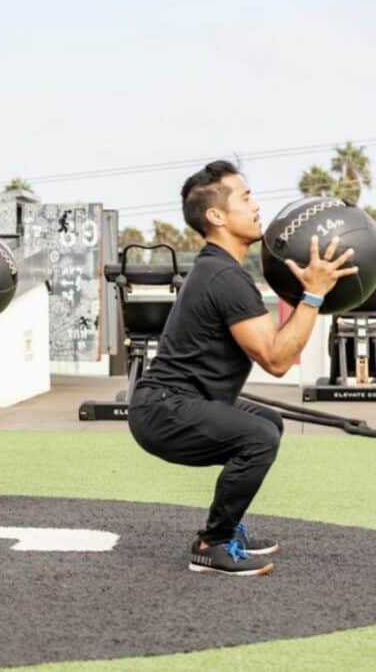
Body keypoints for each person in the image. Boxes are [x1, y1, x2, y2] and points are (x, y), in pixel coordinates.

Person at [128, 161, 357, 576]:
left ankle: (228, 526)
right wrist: (314, 295)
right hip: (163, 410)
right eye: (246, 197)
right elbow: (277, 359)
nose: (256, 206)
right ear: (216, 216)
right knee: (258, 436)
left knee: (269, 422)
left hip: (174, 403)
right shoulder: (224, 278)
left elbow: (274, 350)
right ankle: (212, 543)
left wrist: (311, 295)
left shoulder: (221, 270)